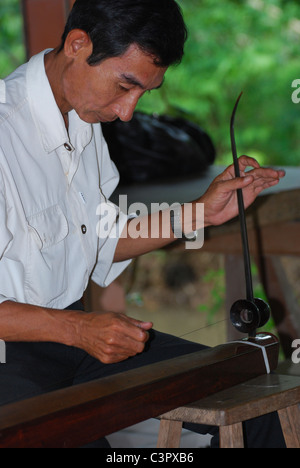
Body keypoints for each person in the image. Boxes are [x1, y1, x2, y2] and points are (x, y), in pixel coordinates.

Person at [0, 0, 286, 448]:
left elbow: (99, 238)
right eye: (124, 86)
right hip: (11, 357)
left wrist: (200, 213)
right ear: (78, 44)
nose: (129, 111)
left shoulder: (82, 116)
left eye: (143, 94)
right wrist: (78, 330)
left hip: (74, 340)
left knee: (255, 399)